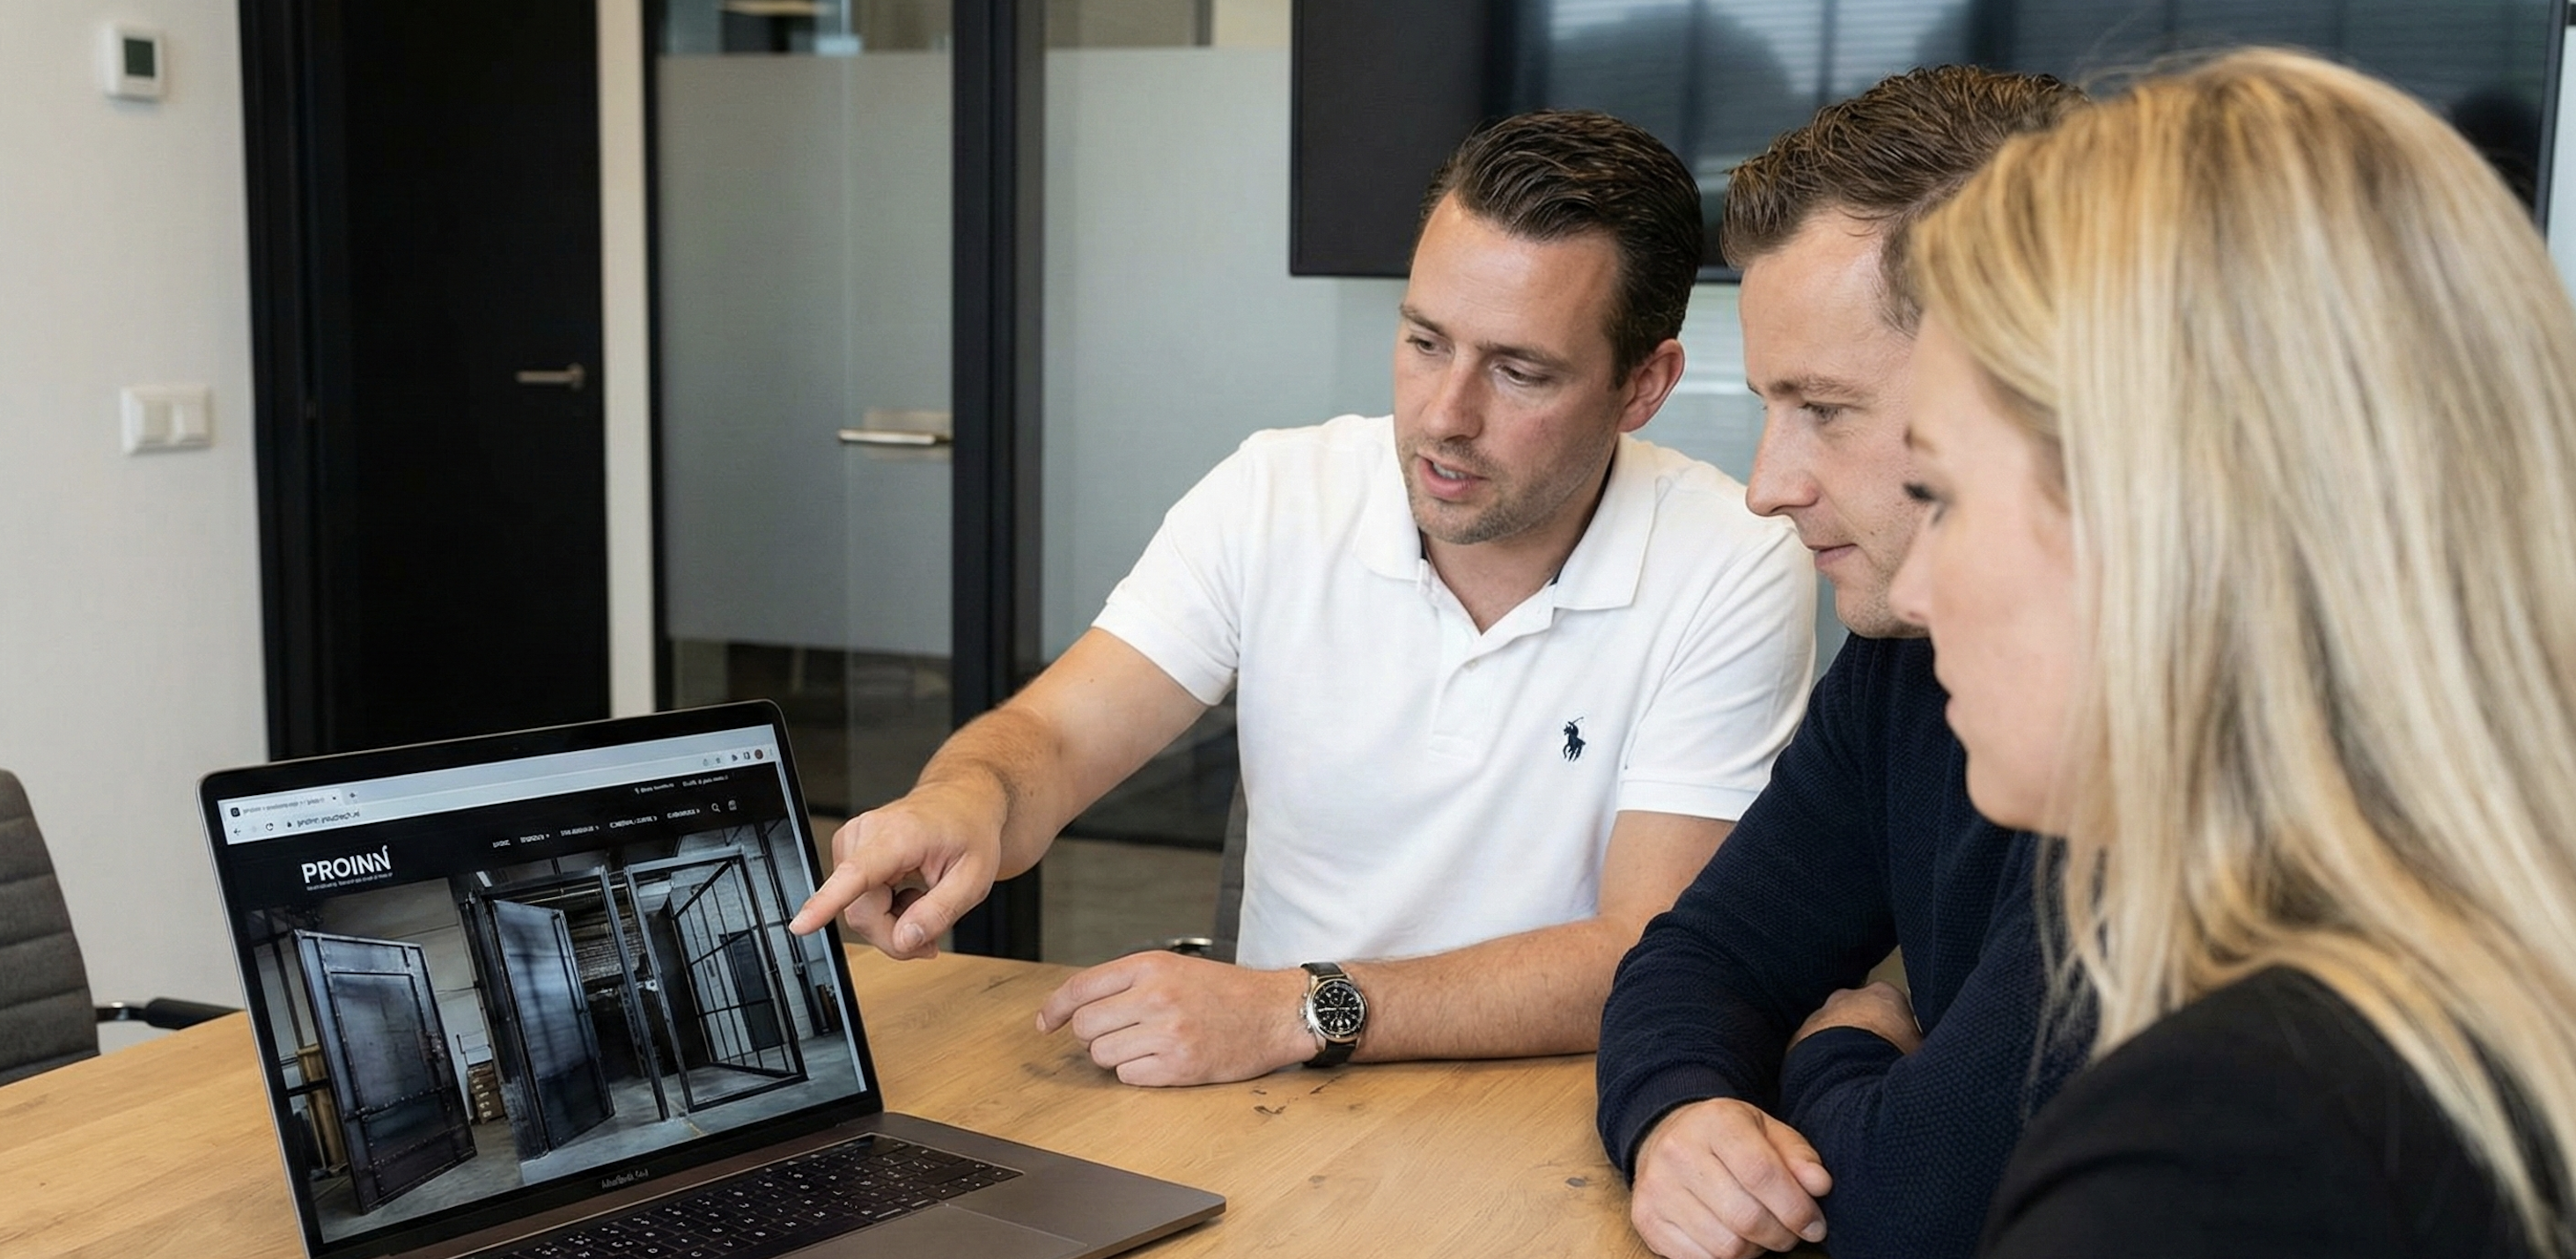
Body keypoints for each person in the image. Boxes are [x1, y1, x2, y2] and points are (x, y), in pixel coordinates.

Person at [788, 109, 1814, 1087]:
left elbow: (1651, 949)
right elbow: (1053, 738)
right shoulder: (1275, 491)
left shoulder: (1731, 558)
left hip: (1550, 1107)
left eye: (1518, 371)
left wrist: (1297, 1008)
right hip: (1271, 1097)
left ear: (1643, 385)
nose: (1444, 415)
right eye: (1424, 341)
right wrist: (963, 798)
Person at [1897, 48, 2576, 1258]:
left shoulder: (2215, 1152)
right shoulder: (2466, 1008)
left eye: (1936, 495)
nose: (1910, 587)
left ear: (2157, 520)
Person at [1594, 67, 2088, 1259]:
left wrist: (1835, 1045)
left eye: (1823, 408)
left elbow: (1918, 1205)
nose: (1767, 486)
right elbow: (1704, 956)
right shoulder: (1893, 660)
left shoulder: (2157, 749)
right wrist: (1681, 1114)